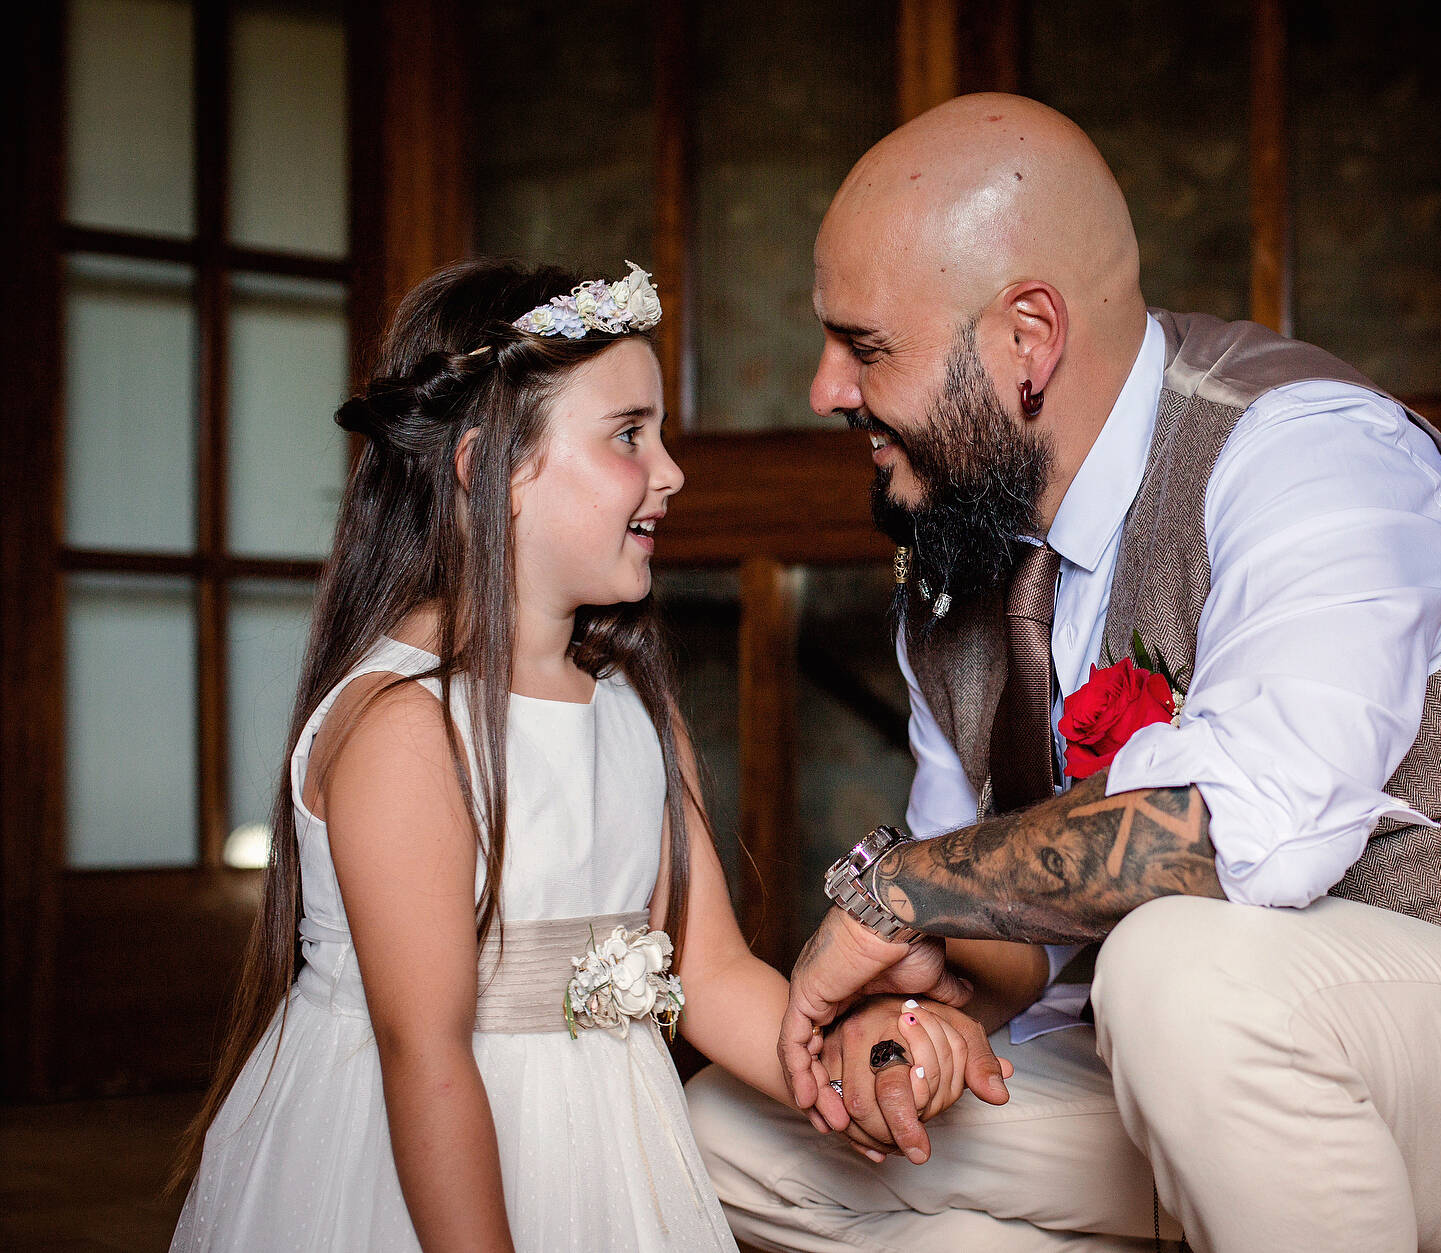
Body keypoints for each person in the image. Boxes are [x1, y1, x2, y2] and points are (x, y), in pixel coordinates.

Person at [686, 94, 1441, 1253]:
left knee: (1179, 969)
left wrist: (899, 888)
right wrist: (918, 1026)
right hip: (1170, 1059)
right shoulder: (953, 560)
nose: (823, 388)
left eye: (864, 346)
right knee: (736, 1127)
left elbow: (1241, 836)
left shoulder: (1305, 449)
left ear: (1028, 337)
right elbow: (1003, 930)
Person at [169, 258, 1010, 1252]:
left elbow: (715, 970)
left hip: (608, 1154)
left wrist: (845, 1058)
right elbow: (424, 1054)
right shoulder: (404, 726)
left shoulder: (633, 707)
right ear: (490, 471)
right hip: (418, 1159)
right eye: (626, 435)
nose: (671, 471)